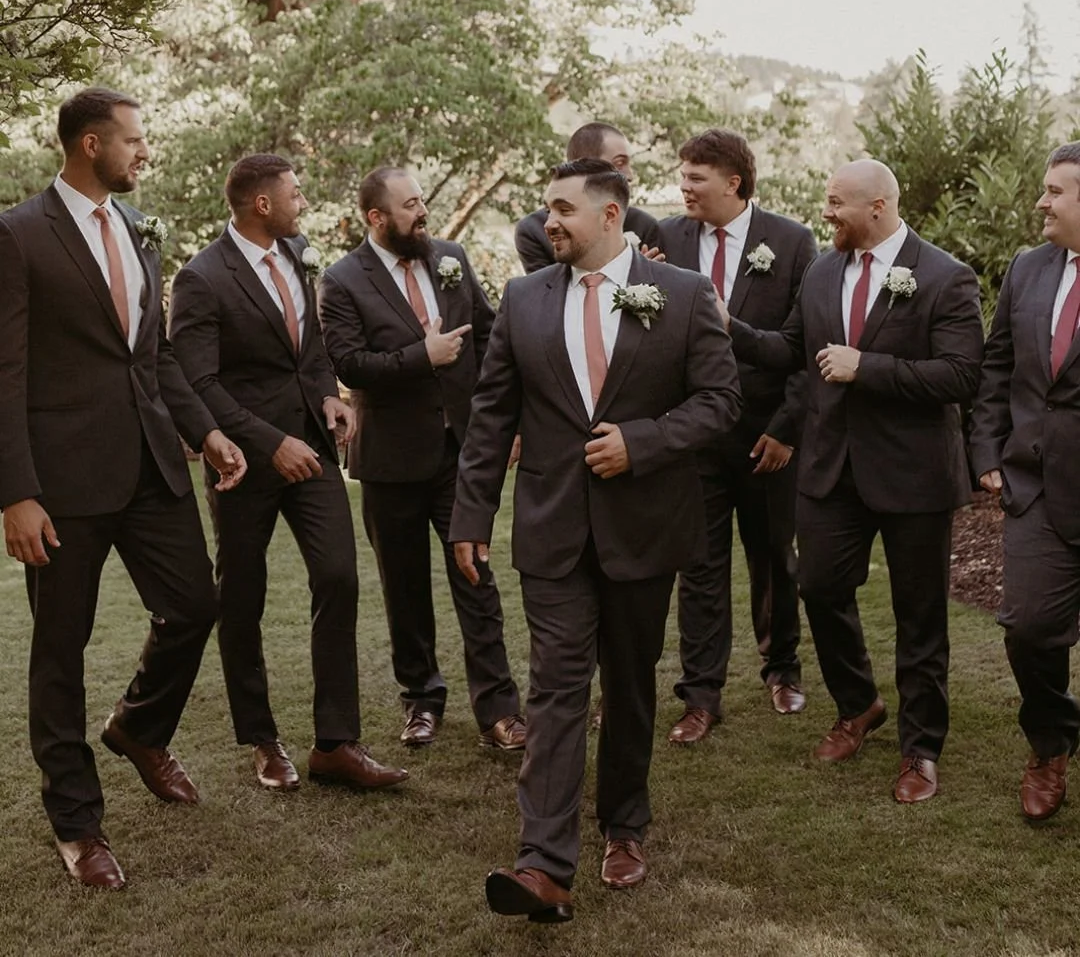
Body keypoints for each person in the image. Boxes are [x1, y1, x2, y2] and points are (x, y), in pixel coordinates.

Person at [451, 158, 741, 923]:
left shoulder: (683, 295)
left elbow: (721, 402)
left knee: (631, 684)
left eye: (563, 209)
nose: (549, 221)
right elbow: (491, 417)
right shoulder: (521, 300)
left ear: (610, 216)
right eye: (546, 209)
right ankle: (543, 864)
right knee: (555, 685)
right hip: (553, 529)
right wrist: (470, 518)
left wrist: (641, 442)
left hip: (645, 528)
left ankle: (624, 824)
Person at [0, 87, 247, 891]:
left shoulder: (139, 229)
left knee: (196, 605)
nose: (145, 153)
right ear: (90, 144)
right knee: (59, 652)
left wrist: (205, 431)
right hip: (61, 484)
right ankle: (78, 824)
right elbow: (4, 374)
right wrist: (16, 493)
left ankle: (138, 728)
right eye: (135, 141)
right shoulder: (16, 234)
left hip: (151, 466)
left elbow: (154, 355)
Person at [721, 159, 983, 803]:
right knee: (817, 585)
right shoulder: (821, 270)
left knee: (919, 614)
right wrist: (729, 330)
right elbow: (792, 350)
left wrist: (868, 366)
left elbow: (960, 376)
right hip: (831, 466)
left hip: (913, 471)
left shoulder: (946, 276)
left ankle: (921, 749)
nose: (827, 212)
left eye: (837, 202)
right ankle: (859, 703)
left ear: (880, 205)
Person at [168, 155, 407, 795]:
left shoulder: (295, 252)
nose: (303, 200)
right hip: (244, 460)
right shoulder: (201, 277)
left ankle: (336, 743)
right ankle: (262, 740)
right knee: (241, 595)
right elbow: (198, 382)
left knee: (338, 574)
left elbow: (308, 347)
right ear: (260, 205)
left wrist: (330, 393)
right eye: (294, 192)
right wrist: (268, 442)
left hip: (313, 448)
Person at [318, 168, 523, 751]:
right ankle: (422, 700)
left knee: (476, 576)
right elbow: (351, 366)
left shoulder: (450, 257)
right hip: (389, 460)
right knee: (403, 589)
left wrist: (497, 423)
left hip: (460, 453)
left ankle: (500, 711)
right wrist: (421, 355)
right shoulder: (341, 280)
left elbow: (487, 337)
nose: (422, 213)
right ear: (375, 219)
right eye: (410, 206)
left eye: (422, 202)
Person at [658, 129, 817, 742]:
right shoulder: (667, 238)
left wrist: (786, 429)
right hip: (693, 434)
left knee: (775, 555)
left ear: (733, 182)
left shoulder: (792, 241)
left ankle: (782, 668)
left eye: (695, 176)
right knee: (699, 565)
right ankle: (701, 694)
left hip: (765, 434)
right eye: (683, 174)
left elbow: (806, 345)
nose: (684, 186)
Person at [970, 141, 1080, 821]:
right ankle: (1050, 742)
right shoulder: (1029, 268)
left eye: (1055, 191)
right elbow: (996, 366)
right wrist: (986, 446)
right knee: (1028, 626)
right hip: (1036, 484)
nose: (1040, 201)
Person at [514, 122, 659, 273]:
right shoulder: (533, 230)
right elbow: (544, 290)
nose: (630, 175)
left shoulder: (644, 225)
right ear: (586, 164)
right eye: (620, 163)